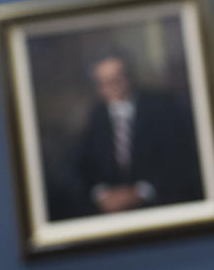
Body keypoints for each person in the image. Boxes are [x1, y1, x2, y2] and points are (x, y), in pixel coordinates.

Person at [74, 48, 203, 215]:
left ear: (129, 77)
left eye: (117, 79)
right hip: (111, 212)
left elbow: (181, 162)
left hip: (160, 206)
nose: (112, 87)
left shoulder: (161, 107)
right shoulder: (96, 116)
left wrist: (141, 192)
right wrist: (101, 194)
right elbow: (82, 169)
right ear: (98, 87)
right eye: (105, 82)